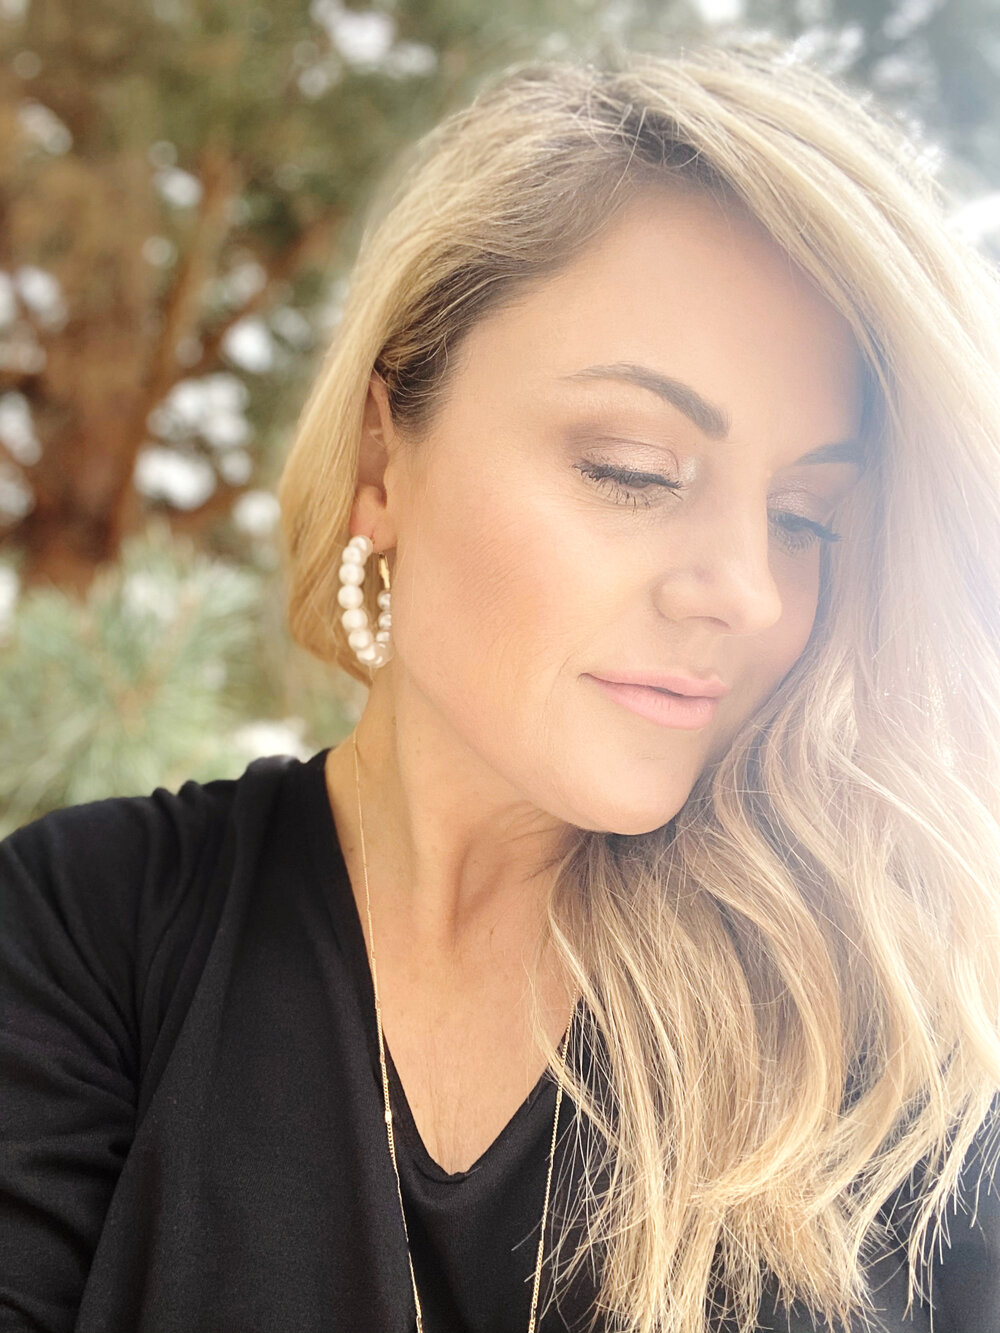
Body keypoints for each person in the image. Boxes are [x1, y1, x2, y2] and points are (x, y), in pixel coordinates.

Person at [2, 33, 1000, 1333]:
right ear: (382, 463)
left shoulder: (890, 1059)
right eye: (634, 469)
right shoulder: (87, 931)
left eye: (806, 518)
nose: (750, 592)